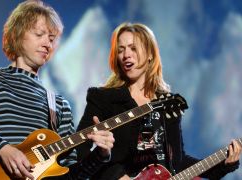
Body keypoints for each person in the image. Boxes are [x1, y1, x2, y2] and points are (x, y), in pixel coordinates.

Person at [0, 1, 114, 179]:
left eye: (51, 39)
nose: (47, 44)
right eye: (39, 34)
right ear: (18, 34)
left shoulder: (59, 105)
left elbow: (71, 175)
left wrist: (100, 155)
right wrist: (2, 148)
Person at [76, 22, 241, 179]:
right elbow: (79, 155)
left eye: (133, 48)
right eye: (121, 50)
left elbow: (178, 162)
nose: (126, 55)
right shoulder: (103, 98)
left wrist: (224, 164)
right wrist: (115, 175)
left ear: (149, 54)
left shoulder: (167, 103)